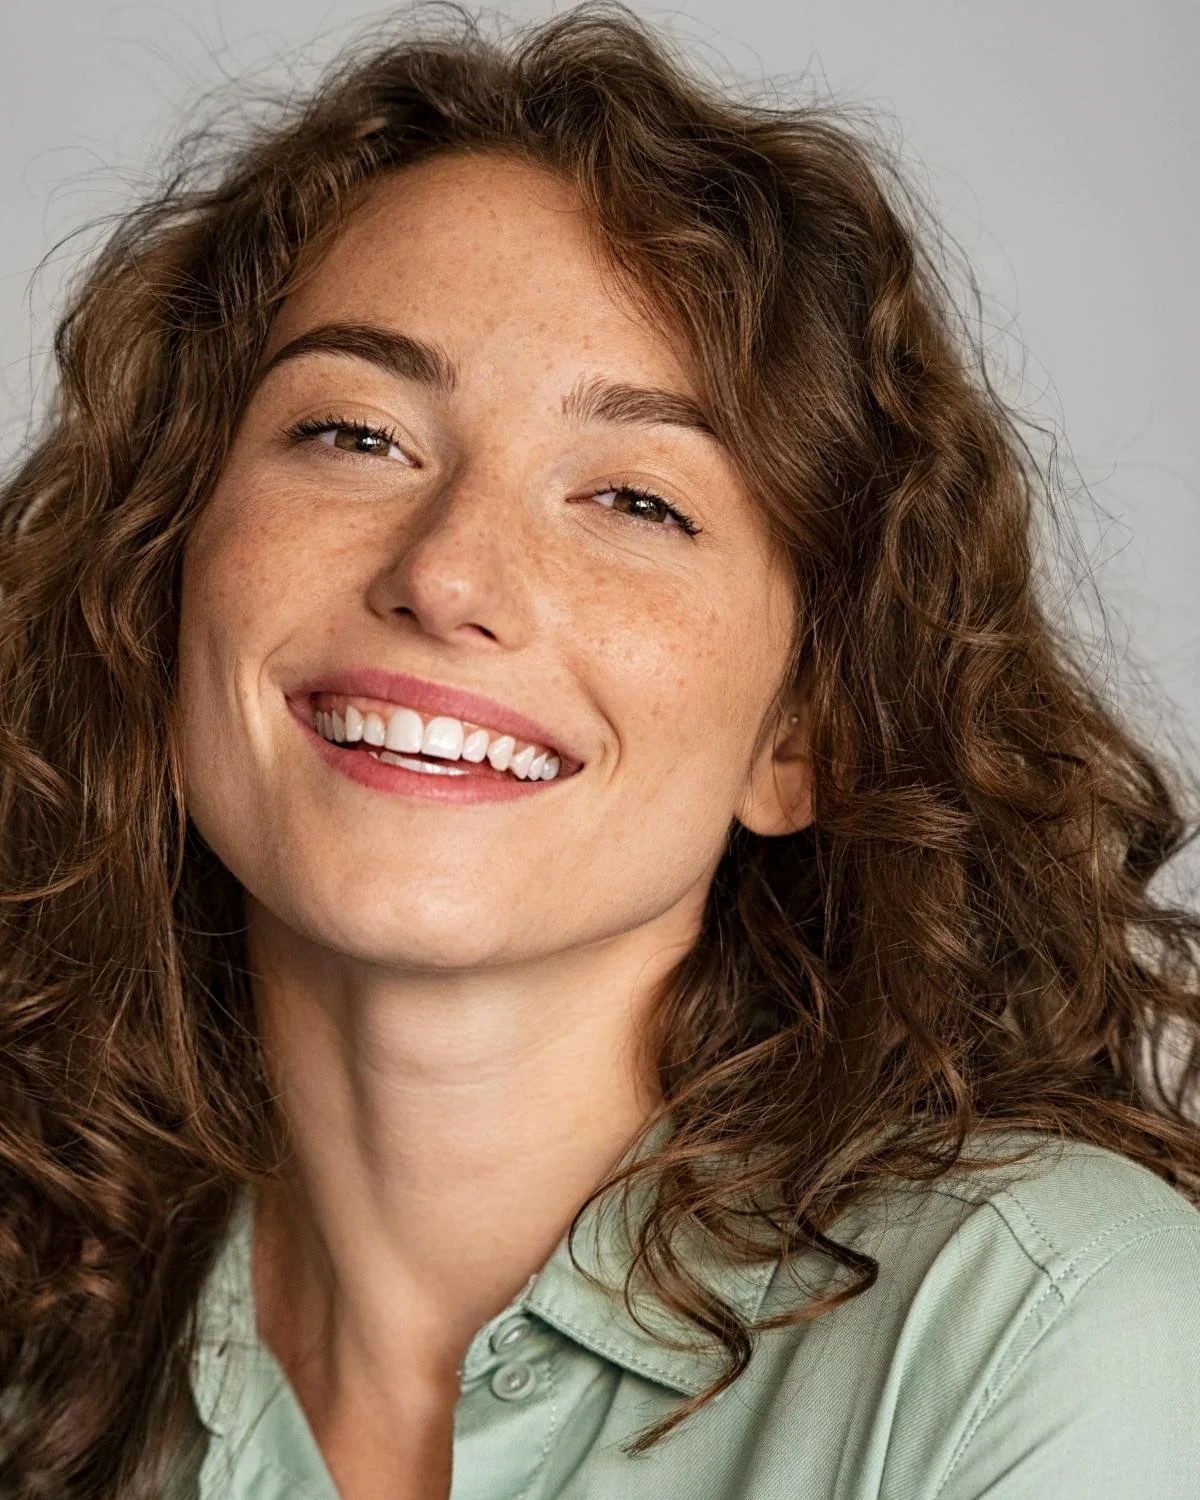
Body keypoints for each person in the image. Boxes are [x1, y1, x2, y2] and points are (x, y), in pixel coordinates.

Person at [1, 3, 1199, 1496]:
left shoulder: (1050, 1334)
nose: (447, 575)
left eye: (636, 499)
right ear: (161, 568)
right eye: (356, 435)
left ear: (804, 731)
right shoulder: (42, 1353)